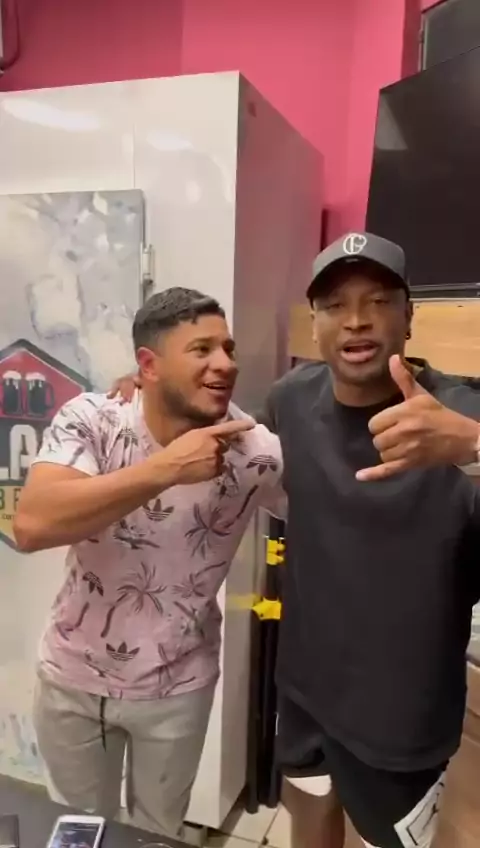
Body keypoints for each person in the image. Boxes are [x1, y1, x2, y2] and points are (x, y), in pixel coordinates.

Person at [111, 233, 480, 848]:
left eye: (378, 301)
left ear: (409, 315)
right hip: (306, 687)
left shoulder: (460, 414)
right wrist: (154, 385)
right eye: (335, 305)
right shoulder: (291, 399)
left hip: (402, 712)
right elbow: (224, 434)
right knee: (308, 824)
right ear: (315, 322)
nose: (356, 320)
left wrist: (472, 446)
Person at [14, 287, 284, 838]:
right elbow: (32, 524)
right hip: (72, 677)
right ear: (148, 365)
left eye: (228, 349)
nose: (225, 364)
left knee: (157, 835)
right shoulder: (93, 418)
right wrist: (166, 469)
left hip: (177, 685)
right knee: (77, 831)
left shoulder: (257, 452)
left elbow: (332, 517)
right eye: (202, 349)